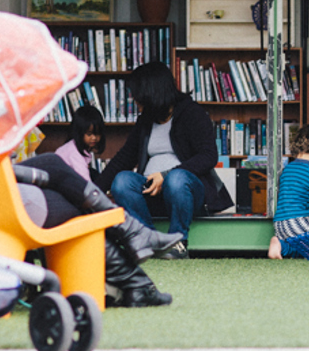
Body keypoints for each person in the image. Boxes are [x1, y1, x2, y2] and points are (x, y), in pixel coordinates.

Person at [96, 62, 233, 259]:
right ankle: (151, 240)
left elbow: (209, 155)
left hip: (185, 194)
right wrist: (90, 194)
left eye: (138, 96)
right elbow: (122, 160)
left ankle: (177, 242)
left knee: (176, 179)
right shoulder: (145, 120)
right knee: (122, 180)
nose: (135, 101)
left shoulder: (191, 113)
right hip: (150, 191)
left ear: (151, 93)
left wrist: (165, 176)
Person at [13, 152, 180, 307]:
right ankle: (137, 274)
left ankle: (138, 280)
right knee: (73, 196)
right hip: (5, 203)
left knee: (53, 164)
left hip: (0, 196)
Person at [267, 124, 309, 259]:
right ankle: (280, 245)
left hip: (280, 224)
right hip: (299, 221)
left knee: (301, 247)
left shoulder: (287, 169)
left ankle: (281, 246)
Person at [54, 104, 105, 182]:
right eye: (89, 134)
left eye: (97, 134)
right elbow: (85, 181)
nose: (94, 138)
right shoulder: (74, 152)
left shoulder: (79, 147)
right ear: (79, 132)